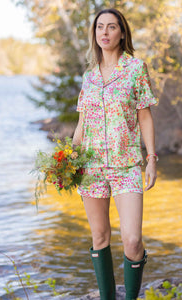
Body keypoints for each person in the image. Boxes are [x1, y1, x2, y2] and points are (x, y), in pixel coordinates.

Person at [72, 8, 158, 300]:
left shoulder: (135, 68)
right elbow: (82, 125)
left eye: (111, 27)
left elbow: (144, 117)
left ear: (122, 32)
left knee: (132, 240)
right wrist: (69, 160)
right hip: (92, 167)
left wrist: (152, 159)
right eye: (100, 27)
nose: (104, 33)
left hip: (127, 165)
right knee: (99, 237)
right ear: (94, 34)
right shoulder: (89, 76)